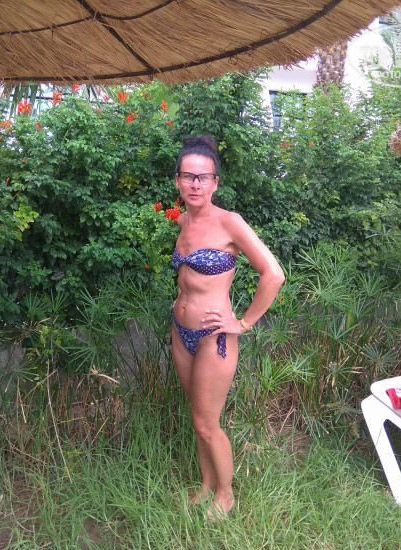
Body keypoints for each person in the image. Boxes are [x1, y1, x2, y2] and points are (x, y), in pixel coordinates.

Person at [171, 136, 285, 520]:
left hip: (213, 337)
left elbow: (274, 274)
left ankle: (225, 493)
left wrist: (244, 322)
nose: (195, 184)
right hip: (180, 331)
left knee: (207, 423)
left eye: (203, 177)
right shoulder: (183, 221)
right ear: (177, 181)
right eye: (188, 176)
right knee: (197, 416)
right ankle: (206, 485)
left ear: (215, 182)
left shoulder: (230, 222)